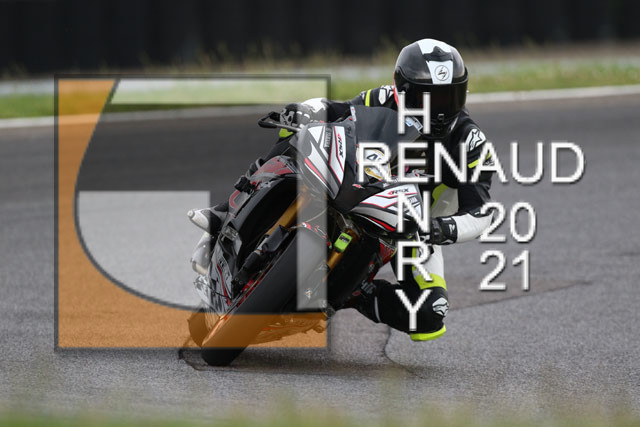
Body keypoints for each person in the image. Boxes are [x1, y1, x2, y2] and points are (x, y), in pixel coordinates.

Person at [189, 38, 494, 341]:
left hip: (413, 227)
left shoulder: (470, 142)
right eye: (427, 98)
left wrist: (441, 228)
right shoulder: (382, 97)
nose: (438, 111)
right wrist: (305, 111)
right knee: (294, 132)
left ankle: (357, 292)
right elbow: (337, 110)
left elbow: (481, 212)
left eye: (447, 98)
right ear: (402, 89)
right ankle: (230, 206)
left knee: (430, 314)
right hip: (360, 181)